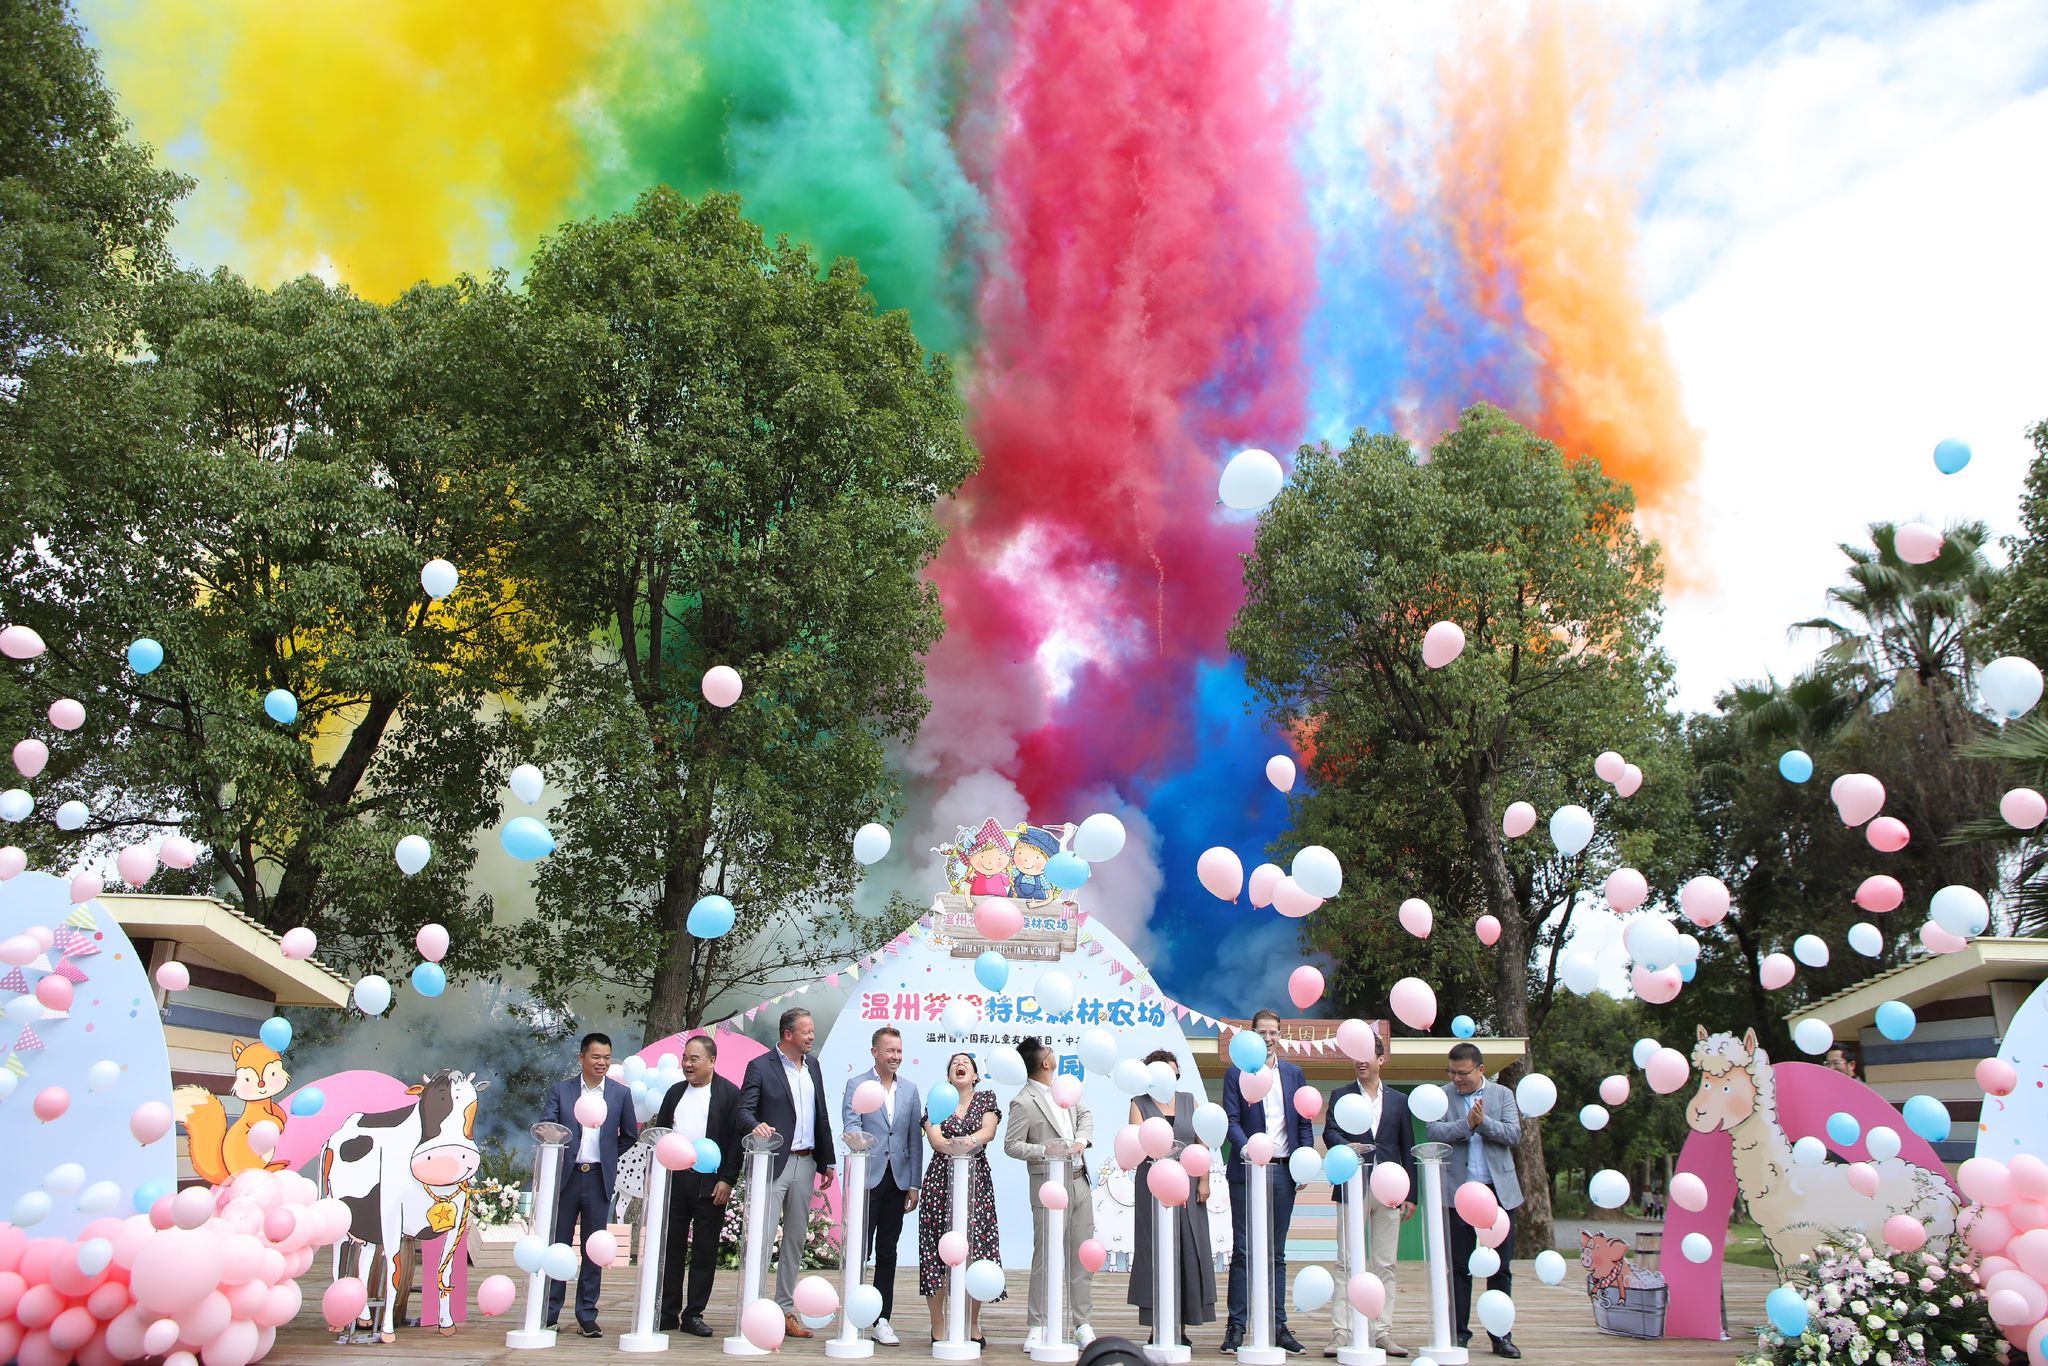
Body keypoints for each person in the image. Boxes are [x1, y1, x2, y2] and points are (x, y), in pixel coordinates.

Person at [739, 1007, 838, 1340]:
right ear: (788, 1035)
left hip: (806, 1162)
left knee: (795, 1239)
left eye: (812, 1031)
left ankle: (783, 1310)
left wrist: (827, 1161)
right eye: (806, 1032)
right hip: (773, 1163)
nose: (812, 1036)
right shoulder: (760, 1067)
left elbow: (820, 1115)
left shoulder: (814, 1067)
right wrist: (756, 1126)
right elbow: (743, 1110)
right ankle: (753, 1309)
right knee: (764, 1238)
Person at [1221, 1010, 1314, 1356]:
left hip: (1283, 1171)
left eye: (1274, 1033)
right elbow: (1231, 1120)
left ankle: (1278, 1325)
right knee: (1244, 1251)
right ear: (1251, 1035)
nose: (1268, 1038)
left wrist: (1304, 1161)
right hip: (1246, 1170)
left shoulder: (1294, 1073)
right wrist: (1249, 1150)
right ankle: (1236, 1326)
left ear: (1280, 1035)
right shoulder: (1236, 1073)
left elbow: (1304, 1121)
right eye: (1262, 1032)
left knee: (1276, 1253)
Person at [1423, 1043, 1522, 1361]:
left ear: (1480, 1070)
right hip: (1458, 1193)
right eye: (1451, 1072)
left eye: (1462, 1073)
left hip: (1498, 1193)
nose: (1456, 1079)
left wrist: (1484, 1123)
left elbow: (1513, 1134)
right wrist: (1467, 1125)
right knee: (1459, 1266)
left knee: (1501, 1267)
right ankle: (1459, 1334)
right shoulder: (1442, 1095)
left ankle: (1501, 1334)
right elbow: (1433, 1130)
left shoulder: (1502, 1096)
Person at [1321, 1031, 1415, 1359]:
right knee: (1347, 1261)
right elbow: (1329, 1131)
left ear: (1380, 1058)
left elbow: (1406, 1147)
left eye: (1367, 1054)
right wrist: (1346, 1146)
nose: (1360, 1060)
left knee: (1385, 1263)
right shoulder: (1341, 1094)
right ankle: (1341, 1332)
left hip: (1390, 1189)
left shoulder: (1400, 1101)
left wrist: (1411, 1194)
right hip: (1351, 1184)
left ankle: (1382, 1331)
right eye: (1355, 1054)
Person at [538, 1032, 639, 1337]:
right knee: (558, 1245)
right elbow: (547, 1128)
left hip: (598, 1178)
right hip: (567, 1178)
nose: (602, 1063)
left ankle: (586, 1315)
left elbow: (629, 1135)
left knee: (594, 1249)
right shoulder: (562, 1090)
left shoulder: (620, 1094)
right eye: (596, 1057)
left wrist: (607, 1155)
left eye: (607, 1057)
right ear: (581, 1057)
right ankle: (549, 1313)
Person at [1006, 1036, 1097, 1350]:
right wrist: (1048, 1151)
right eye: (1048, 1050)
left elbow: (1085, 1117)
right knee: (1046, 1255)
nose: (1053, 1052)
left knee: (1081, 1255)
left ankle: (1082, 1323)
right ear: (1044, 1062)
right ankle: (1038, 1323)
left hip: (1079, 1180)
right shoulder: (1023, 1101)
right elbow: (1012, 1145)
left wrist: (1082, 1141)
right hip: (1048, 1185)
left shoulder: (1065, 1090)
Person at [654, 1034, 743, 1337]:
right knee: (671, 1247)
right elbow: (661, 1134)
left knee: (704, 1251)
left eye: (695, 1059)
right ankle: (667, 1313)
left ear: (712, 1061)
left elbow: (735, 1142)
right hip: (676, 1181)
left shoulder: (729, 1094)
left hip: (711, 1183)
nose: (688, 1064)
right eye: (685, 1059)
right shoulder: (674, 1092)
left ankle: (694, 1315)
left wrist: (727, 1179)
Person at [842, 1026, 924, 1346]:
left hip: (898, 1180)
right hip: (868, 1177)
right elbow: (851, 1123)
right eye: (890, 1051)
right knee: (859, 1249)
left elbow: (912, 1142)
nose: (896, 1057)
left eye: (899, 1051)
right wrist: (858, 1141)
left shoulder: (910, 1089)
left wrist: (914, 1184)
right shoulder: (856, 1084)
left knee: (887, 1251)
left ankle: (881, 1318)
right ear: (874, 1051)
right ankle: (853, 1315)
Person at [1127, 1049, 1215, 1343]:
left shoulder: (1191, 1100)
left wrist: (1204, 1180)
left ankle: (1183, 1326)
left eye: (1172, 1067)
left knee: (1189, 1249)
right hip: (1153, 1183)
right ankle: (1158, 1325)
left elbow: (1203, 1141)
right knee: (1155, 1251)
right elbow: (1136, 1140)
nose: (1169, 1072)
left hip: (1188, 1185)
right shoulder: (1138, 1103)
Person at [917, 1052, 1003, 1345]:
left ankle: (972, 1323)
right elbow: (937, 1140)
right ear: (948, 1076)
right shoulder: (937, 1099)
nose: (959, 1065)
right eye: (954, 1063)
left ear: (975, 1075)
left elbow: (988, 1131)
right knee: (936, 1250)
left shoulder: (986, 1099)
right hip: (940, 1180)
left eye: (965, 1062)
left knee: (977, 1249)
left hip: (976, 1180)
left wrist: (970, 1141)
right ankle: (938, 1324)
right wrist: (957, 1144)